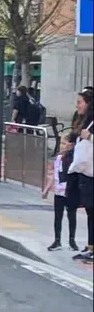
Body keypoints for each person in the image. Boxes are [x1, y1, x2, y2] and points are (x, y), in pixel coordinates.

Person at [67, 98, 94, 262]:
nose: (77, 105)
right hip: (85, 172)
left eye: (80, 102)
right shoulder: (83, 120)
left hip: (90, 172)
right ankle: (90, 246)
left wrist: (90, 137)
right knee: (90, 210)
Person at [44, 135, 77, 251]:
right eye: (61, 144)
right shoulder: (58, 159)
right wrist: (47, 189)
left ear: (71, 145)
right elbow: (54, 175)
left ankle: (72, 240)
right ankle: (57, 240)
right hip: (58, 192)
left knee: (71, 215)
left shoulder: (73, 159)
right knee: (58, 216)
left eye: (64, 144)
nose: (62, 146)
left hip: (69, 192)